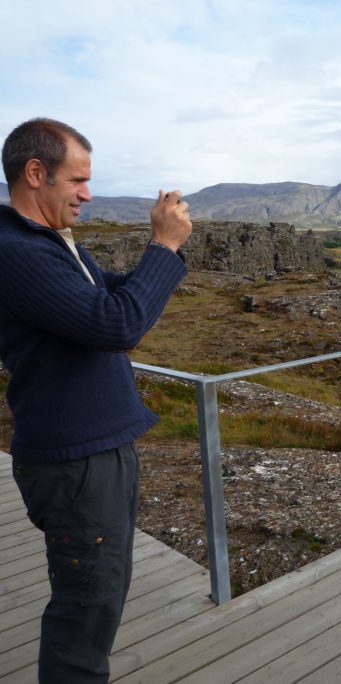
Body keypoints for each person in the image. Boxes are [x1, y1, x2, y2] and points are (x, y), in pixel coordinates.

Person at [0, 118, 192, 682]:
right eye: (78, 180)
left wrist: (158, 262)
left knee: (100, 594)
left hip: (95, 451)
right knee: (86, 608)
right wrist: (163, 244)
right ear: (36, 173)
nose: (88, 193)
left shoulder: (49, 246)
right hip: (75, 462)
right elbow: (119, 324)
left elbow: (118, 303)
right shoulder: (15, 252)